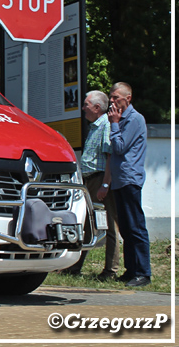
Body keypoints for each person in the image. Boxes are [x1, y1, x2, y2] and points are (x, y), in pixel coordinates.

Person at [61, 90, 120, 279]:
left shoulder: (105, 125)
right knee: (85, 224)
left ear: (96, 107)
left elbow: (110, 156)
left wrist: (105, 184)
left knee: (109, 224)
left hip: (99, 179)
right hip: (89, 179)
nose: (83, 108)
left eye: (86, 104)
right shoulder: (95, 126)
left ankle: (111, 269)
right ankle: (73, 266)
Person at [99, 82, 150, 287]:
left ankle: (143, 272)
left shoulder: (134, 119)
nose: (111, 101)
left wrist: (114, 123)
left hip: (130, 179)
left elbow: (119, 147)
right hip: (120, 181)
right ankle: (131, 270)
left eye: (116, 97)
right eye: (111, 97)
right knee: (126, 229)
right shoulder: (120, 120)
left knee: (136, 227)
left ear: (128, 99)